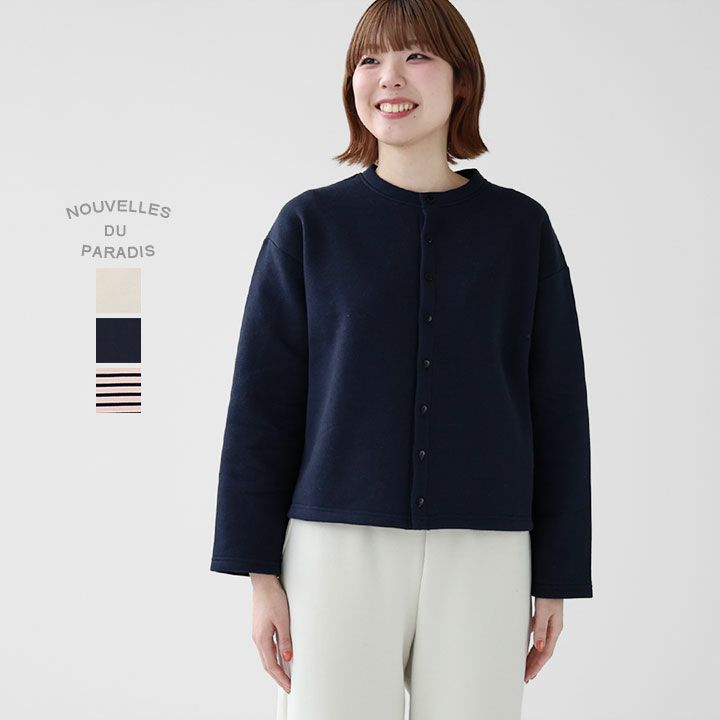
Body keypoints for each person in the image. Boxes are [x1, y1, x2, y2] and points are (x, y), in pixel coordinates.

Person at [210, 0, 593, 717]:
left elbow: (558, 407)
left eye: (417, 56)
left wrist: (557, 576)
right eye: (370, 59)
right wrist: (259, 575)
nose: (390, 76)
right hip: (334, 546)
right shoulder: (310, 226)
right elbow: (262, 404)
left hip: (485, 547)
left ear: (462, 80)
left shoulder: (521, 230)